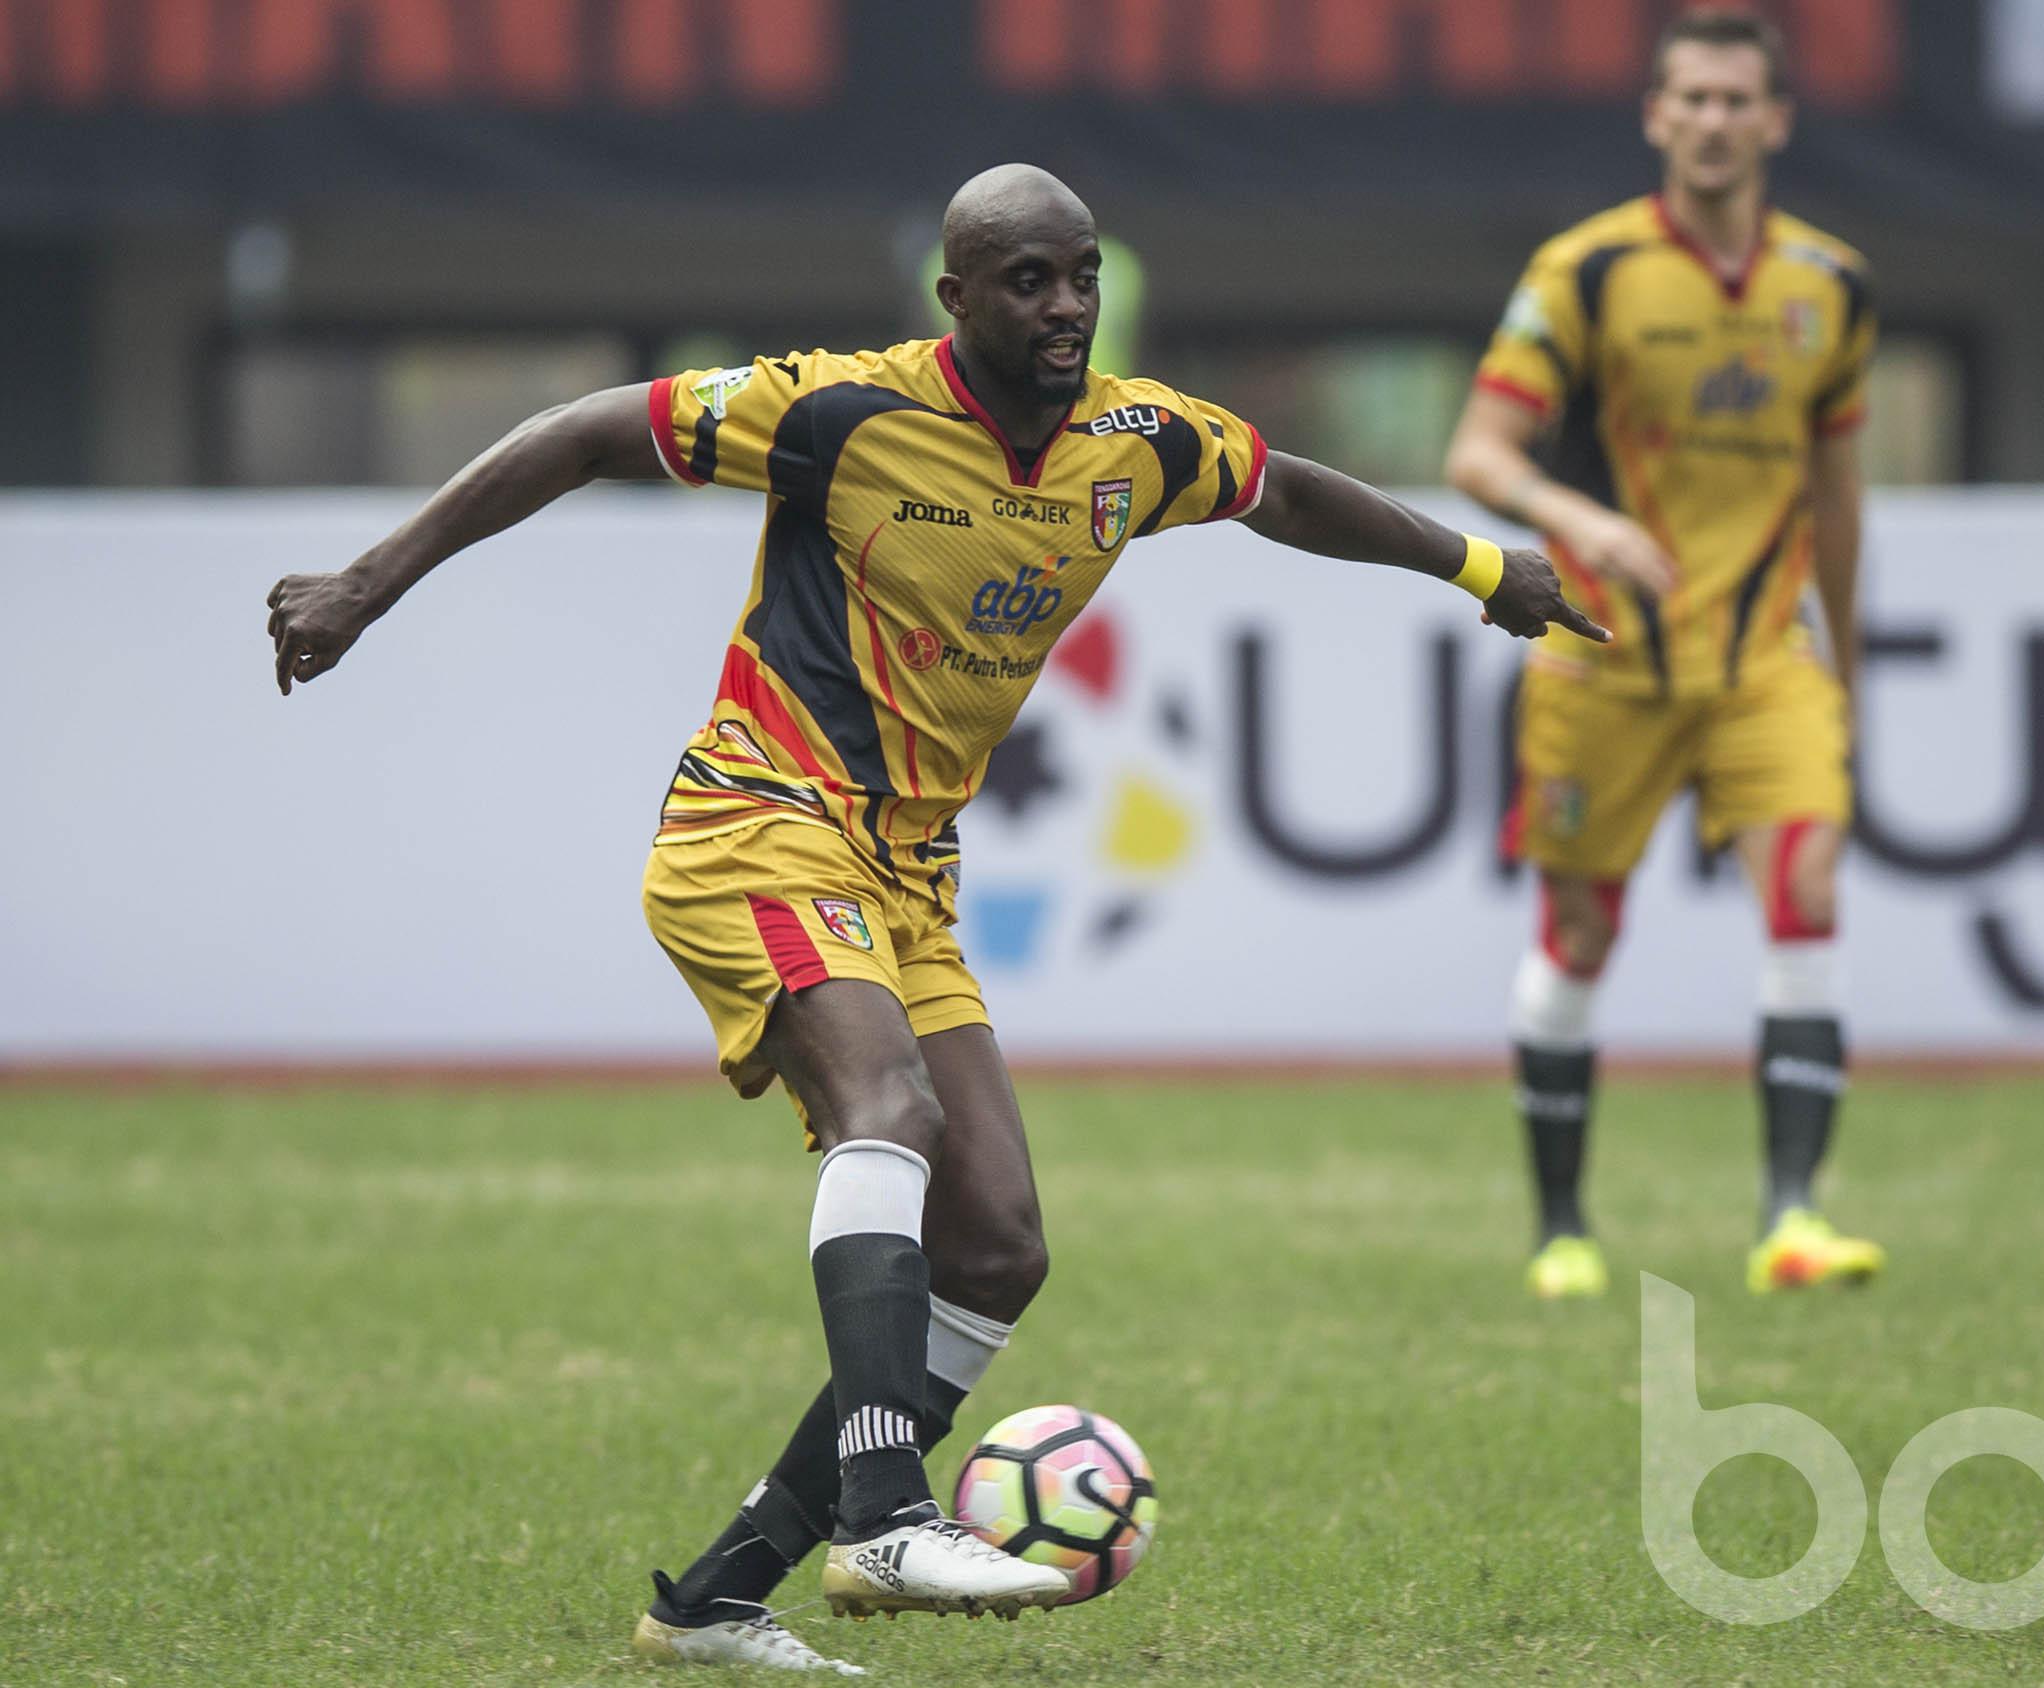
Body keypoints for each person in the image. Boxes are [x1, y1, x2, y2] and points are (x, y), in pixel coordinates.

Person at [265, 164, 1601, 1672]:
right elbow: (583, 430)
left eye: (1081, 276)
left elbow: (1282, 487)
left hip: (907, 869)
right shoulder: (836, 412)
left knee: (999, 1247)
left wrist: (1484, 568)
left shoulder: (1135, 439)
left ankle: (715, 1597)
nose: (1064, 309)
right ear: (955, 297)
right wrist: (368, 584)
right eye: (1027, 281)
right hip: (757, 818)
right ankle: (888, 1509)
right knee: (884, 1108)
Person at [1443, 7, 1881, 1301]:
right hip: (1601, 660)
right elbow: (1478, 452)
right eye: (1689, 98)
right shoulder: (1587, 272)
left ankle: (1793, 1218)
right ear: (1655, 116)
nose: (1712, 120)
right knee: (1579, 928)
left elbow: (1841, 495)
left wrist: (1845, 665)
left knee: (1804, 894)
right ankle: (1562, 1230)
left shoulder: (1831, 288)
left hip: (1764, 664)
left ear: (1776, 121)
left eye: (1737, 100)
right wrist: (1581, 522)